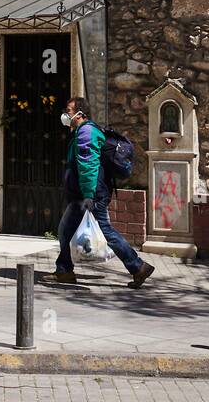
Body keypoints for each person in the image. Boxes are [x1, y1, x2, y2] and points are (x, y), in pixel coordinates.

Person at [55, 97, 154, 288]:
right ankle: (64, 270)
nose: (65, 115)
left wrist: (89, 195)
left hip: (90, 194)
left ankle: (138, 266)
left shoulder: (86, 133)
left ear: (79, 114)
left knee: (104, 230)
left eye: (68, 111)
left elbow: (88, 166)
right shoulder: (81, 132)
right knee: (65, 230)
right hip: (83, 193)